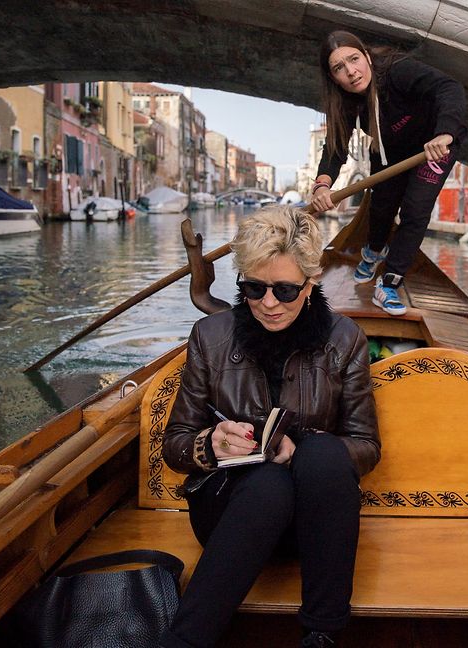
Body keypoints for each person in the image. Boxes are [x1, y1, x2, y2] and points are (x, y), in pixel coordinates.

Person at [159, 205, 381, 648]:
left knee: (319, 454)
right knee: (266, 484)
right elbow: (176, 444)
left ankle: (321, 634)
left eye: (284, 290)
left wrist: (298, 454)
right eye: (254, 288)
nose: (268, 303)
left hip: (313, 525)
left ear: (310, 283)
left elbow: (366, 445)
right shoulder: (210, 337)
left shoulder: (345, 339)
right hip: (229, 518)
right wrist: (210, 444)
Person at [310, 30, 467, 316]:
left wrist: (445, 133)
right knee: (381, 206)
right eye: (339, 68)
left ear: (367, 56)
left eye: (354, 59)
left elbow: (449, 88)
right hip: (389, 150)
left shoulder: (398, 71)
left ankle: (390, 283)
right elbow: (335, 149)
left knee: (415, 210)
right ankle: (373, 251)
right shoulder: (343, 102)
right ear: (333, 78)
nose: (351, 72)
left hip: (434, 146)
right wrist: (322, 185)